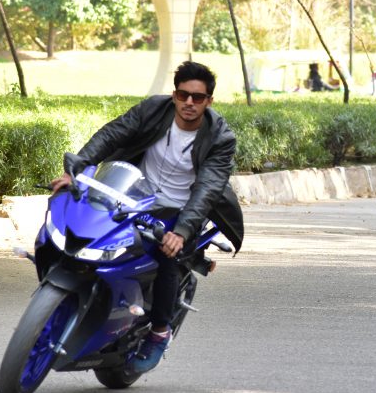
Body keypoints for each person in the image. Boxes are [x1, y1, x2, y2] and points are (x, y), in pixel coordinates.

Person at [50, 61, 243, 373]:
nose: (189, 103)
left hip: (182, 209)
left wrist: (181, 231)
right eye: (183, 95)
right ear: (174, 95)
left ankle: (159, 332)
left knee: (168, 254)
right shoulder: (154, 110)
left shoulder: (220, 138)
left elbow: (207, 188)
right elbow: (113, 133)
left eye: (197, 97)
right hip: (135, 193)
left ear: (209, 101)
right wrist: (76, 168)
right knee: (89, 225)